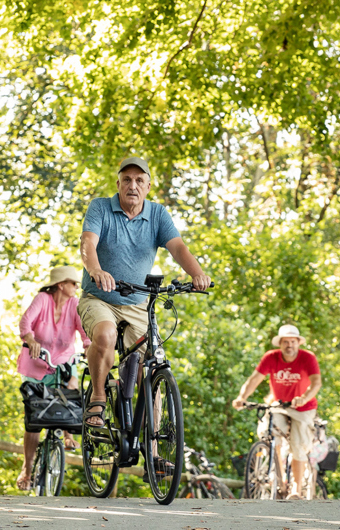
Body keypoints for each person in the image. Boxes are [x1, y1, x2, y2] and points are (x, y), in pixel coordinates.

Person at [77, 156, 211, 437]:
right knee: (105, 335)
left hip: (137, 303)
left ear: (148, 186)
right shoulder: (101, 208)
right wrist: (96, 270)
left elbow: (178, 248)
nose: (132, 186)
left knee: (150, 368)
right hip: (99, 298)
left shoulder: (158, 214)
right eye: (127, 179)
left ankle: (153, 450)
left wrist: (197, 273)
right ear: (118, 184)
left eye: (139, 180)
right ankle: (98, 398)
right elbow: (88, 243)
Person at [15, 265, 91, 491]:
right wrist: (31, 339)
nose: (77, 287)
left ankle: (67, 434)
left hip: (65, 361)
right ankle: (27, 469)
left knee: (72, 388)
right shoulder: (43, 299)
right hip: (38, 362)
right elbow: (25, 323)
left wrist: (87, 346)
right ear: (61, 284)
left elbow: (84, 332)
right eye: (73, 283)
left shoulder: (75, 304)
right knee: (33, 421)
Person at [231, 324, 322, 500]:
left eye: (293, 342)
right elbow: (254, 379)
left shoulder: (307, 358)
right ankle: (278, 478)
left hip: (303, 408)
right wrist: (242, 397)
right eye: (285, 342)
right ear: (280, 344)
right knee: (269, 432)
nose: (289, 345)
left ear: (298, 343)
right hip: (279, 405)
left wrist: (304, 397)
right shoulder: (271, 357)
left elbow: (316, 382)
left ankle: (295, 489)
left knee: (298, 446)